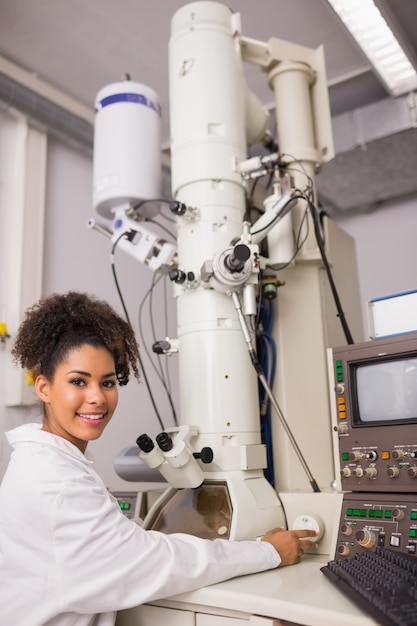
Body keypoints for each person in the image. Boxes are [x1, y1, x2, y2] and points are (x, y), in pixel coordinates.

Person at [0, 291, 318, 626]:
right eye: (78, 381)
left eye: (107, 382)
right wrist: (268, 553)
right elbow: (150, 561)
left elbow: (125, 547)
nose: (96, 397)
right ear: (44, 387)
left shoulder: (43, 464)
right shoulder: (58, 482)